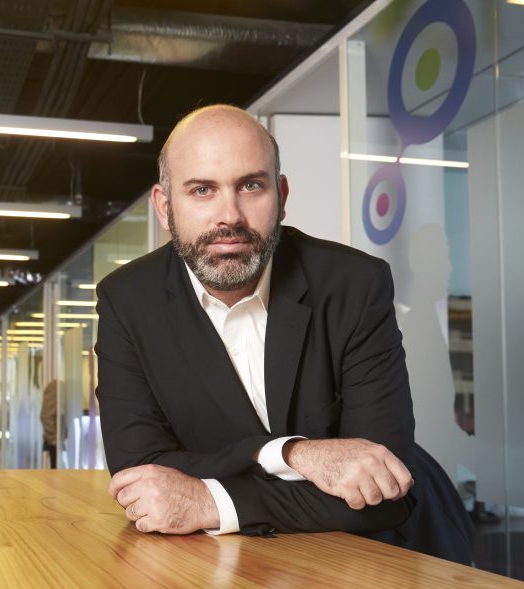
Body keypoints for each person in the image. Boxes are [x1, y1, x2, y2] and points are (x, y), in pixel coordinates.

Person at [94, 105, 473, 563]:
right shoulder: (127, 300)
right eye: (202, 190)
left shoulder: (355, 285)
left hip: (378, 561)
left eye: (251, 185)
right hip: (230, 570)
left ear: (282, 194)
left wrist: (211, 501)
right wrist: (293, 455)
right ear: (163, 205)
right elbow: (140, 474)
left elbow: (383, 490)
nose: (229, 216)